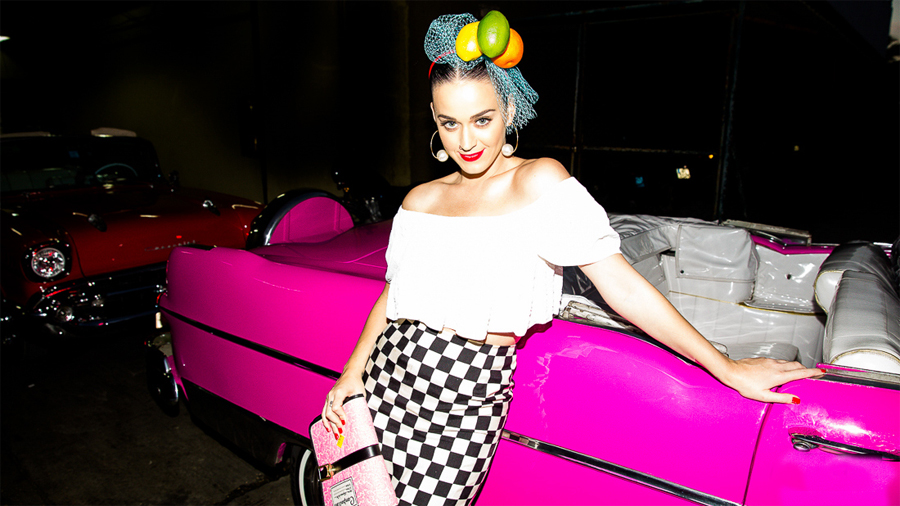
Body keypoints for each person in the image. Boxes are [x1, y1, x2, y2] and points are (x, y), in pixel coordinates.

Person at [322, 12, 823, 506]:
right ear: (434, 118)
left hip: (466, 389)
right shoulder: (420, 200)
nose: (467, 141)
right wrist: (350, 374)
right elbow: (393, 294)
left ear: (509, 109)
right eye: (450, 123)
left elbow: (622, 287)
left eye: (482, 119)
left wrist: (725, 367)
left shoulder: (539, 182)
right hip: (390, 374)